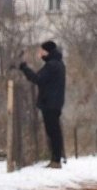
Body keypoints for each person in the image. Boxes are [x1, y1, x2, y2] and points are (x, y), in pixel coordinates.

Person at [19, 40, 66, 168]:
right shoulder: (58, 64)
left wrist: (24, 68)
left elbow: (38, 78)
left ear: (47, 51)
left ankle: (56, 159)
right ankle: (56, 158)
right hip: (55, 103)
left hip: (50, 103)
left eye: (41, 51)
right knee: (54, 131)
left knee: (53, 131)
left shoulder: (52, 65)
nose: (40, 53)